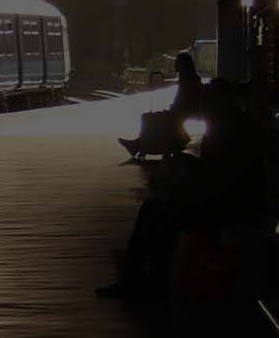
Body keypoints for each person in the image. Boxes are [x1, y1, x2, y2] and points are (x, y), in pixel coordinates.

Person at [98, 79, 263, 299]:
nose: (202, 108)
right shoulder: (231, 124)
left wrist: (182, 175)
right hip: (226, 197)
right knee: (157, 207)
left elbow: (221, 176)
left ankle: (141, 277)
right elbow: (214, 171)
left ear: (217, 102)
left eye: (205, 102)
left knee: (164, 212)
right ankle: (142, 276)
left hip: (230, 204)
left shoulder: (232, 130)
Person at [118, 50, 201, 158]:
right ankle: (138, 145)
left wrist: (172, 109)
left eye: (177, 63)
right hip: (182, 110)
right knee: (151, 118)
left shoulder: (188, 81)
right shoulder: (189, 79)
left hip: (183, 111)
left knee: (152, 119)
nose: (175, 65)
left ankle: (139, 146)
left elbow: (183, 102)